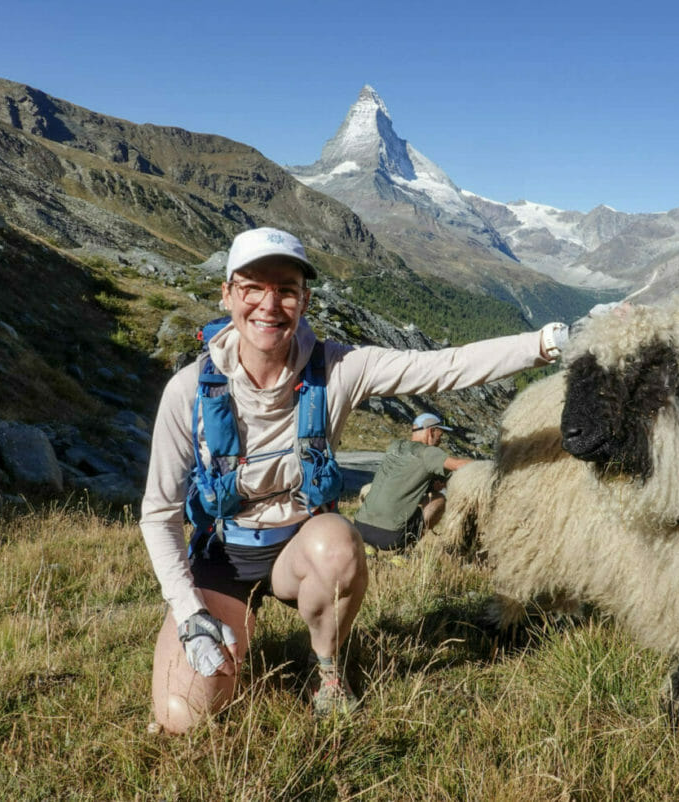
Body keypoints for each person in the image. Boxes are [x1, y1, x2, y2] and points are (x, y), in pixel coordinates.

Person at [139, 226, 568, 733]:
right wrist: (189, 612)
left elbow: (442, 367)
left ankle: (328, 671)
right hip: (222, 556)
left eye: (287, 289)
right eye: (253, 287)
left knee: (339, 544)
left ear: (304, 299)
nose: (269, 305)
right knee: (182, 718)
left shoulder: (338, 368)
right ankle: (225, 629)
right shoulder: (188, 389)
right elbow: (159, 513)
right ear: (228, 293)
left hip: (300, 545)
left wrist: (544, 343)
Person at [354, 412, 470, 551]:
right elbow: (458, 465)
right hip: (390, 537)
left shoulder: (395, 446)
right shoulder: (428, 453)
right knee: (439, 500)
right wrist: (491, 465)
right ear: (431, 431)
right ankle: (405, 551)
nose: (441, 440)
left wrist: (430, 485)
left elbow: (407, 477)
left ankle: (369, 548)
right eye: (440, 434)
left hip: (359, 528)